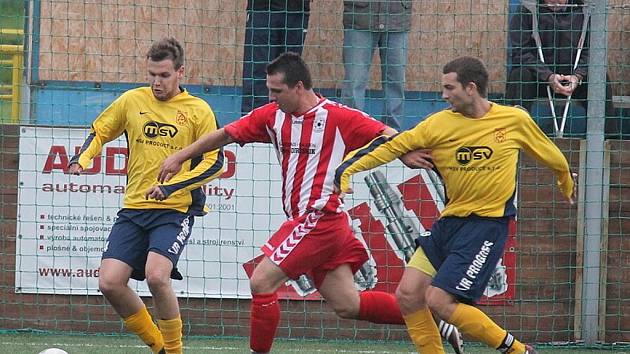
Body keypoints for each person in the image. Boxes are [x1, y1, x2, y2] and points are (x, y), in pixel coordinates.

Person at [148, 52, 463, 354]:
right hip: (324, 225)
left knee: (261, 281)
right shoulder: (273, 116)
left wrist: (405, 153)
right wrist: (180, 156)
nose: (271, 98)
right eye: (269, 90)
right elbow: (226, 134)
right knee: (347, 304)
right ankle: (435, 321)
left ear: (298, 87)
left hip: (319, 218)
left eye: (277, 91)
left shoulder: (338, 117)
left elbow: (386, 133)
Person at [336, 56, 577, 354]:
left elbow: (551, 155)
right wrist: (346, 170)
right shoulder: (438, 124)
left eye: (449, 88)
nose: (443, 95)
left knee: (440, 300)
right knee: (408, 294)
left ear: (471, 88)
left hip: (487, 225)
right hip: (449, 224)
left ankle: (518, 351)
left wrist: (565, 181)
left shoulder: (514, 120)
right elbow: (392, 146)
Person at [68, 37, 225, 354]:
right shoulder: (131, 101)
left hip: (175, 210)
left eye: (164, 75)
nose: (156, 82)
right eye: (152, 74)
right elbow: (100, 131)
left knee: (156, 276)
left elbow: (215, 162)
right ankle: (159, 347)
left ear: (181, 72)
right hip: (134, 209)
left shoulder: (198, 111)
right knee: (109, 283)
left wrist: (172, 187)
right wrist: (80, 160)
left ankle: (175, 350)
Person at [505, 0, 616, 137]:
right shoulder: (527, 9)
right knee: (519, 76)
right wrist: (548, 76)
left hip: (574, 79)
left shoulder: (585, 9)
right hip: (539, 78)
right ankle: (512, 138)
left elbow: (595, 51)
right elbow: (520, 51)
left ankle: (606, 145)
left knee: (600, 80)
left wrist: (578, 75)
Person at [341, 0, 411, 130]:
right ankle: (351, 134)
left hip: (397, 18)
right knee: (354, 82)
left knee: (396, 82)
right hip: (360, 17)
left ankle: (393, 137)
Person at [241, 0, 310, 114]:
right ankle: (255, 128)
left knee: (290, 74)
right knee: (258, 74)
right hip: (262, 9)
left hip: (297, 10)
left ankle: (287, 125)